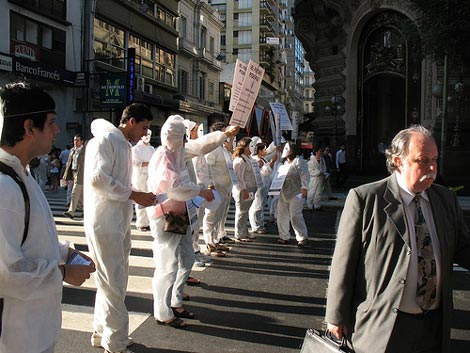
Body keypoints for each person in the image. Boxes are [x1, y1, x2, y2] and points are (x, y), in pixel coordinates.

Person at [325, 125, 470, 353]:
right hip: (386, 326)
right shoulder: (366, 199)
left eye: (434, 160)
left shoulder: (446, 200)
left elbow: (463, 247)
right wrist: (335, 315)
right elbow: (344, 262)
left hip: (433, 325)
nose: (432, 168)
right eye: (422, 160)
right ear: (398, 161)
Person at [0, 81, 95, 353]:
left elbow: (31, 241)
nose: (57, 130)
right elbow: (5, 275)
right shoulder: (5, 187)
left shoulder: (21, 175)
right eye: (51, 122)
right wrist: (63, 272)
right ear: (29, 127)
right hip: (15, 339)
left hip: (33, 331)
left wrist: (64, 252)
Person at [84, 103, 156, 353]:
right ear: (131, 121)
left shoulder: (123, 144)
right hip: (105, 222)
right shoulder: (107, 140)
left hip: (117, 221)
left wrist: (134, 195)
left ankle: (101, 332)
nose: (145, 134)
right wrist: (134, 195)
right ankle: (115, 342)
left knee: (112, 281)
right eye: (144, 127)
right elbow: (98, 180)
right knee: (113, 281)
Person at [146, 115, 215, 329]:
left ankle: (174, 301)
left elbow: (200, 147)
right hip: (166, 216)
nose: (185, 142)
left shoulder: (176, 154)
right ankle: (163, 312)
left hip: (180, 214)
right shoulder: (163, 156)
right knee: (167, 266)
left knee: (184, 259)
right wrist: (199, 191)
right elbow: (173, 187)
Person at [203, 122, 237, 255]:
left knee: (219, 216)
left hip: (225, 188)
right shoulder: (212, 149)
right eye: (224, 132)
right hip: (215, 188)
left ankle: (216, 240)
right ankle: (209, 243)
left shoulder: (223, 148)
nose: (226, 135)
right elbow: (207, 167)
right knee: (211, 215)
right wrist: (210, 184)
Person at [276, 142, 309, 247]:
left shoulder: (299, 161)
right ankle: (283, 236)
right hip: (284, 192)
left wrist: (304, 187)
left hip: (296, 193)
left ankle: (302, 237)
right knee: (281, 215)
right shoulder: (283, 163)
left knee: (295, 215)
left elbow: (304, 175)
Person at [232, 137, 258, 242]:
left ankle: (245, 231)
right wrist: (243, 190)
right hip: (244, 190)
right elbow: (238, 178)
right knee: (241, 212)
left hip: (250, 189)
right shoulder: (240, 160)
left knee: (245, 212)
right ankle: (239, 234)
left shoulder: (249, 158)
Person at [248, 142, 277, 234]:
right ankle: (256, 226)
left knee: (261, 205)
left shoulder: (263, 159)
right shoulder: (256, 160)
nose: (266, 151)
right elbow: (265, 172)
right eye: (264, 149)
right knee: (256, 206)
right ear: (259, 151)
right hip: (259, 186)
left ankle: (261, 223)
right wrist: (272, 162)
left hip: (264, 185)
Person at [131, 129, 155, 231]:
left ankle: (149, 222)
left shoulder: (152, 149)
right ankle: (141, 223)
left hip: (149, 176)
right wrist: (148, 163)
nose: (147, 136)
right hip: (139, 176)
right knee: (140, 199)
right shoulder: (135, 149)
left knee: (149, 198)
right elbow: (135, 163)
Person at [62, 134, 85, 220]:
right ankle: (85, 212)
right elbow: (69, 163)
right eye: (75, 140)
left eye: (77, 140)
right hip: (73, 172)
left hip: (82, 174)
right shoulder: (72, 150)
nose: (75, 142)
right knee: (82, 196)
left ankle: (71, 212)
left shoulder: (85, 150)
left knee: (74, 192)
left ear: (82, 141)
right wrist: (66, 175)